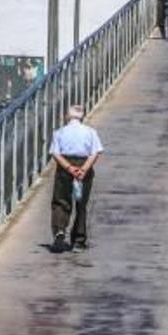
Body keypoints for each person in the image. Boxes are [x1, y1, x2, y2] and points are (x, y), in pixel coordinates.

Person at [49, 105, 104, 253]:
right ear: (82, 117)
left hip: (65, 166)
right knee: (81, 204)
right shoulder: (90, 132)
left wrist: (69, 168)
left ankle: (59, 232)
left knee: (61, 200)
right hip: (83, 166)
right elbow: (95, 152)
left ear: (67, 116)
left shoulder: (59, 132)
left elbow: (55, 153)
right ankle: (78, 240)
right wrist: (83, 169)